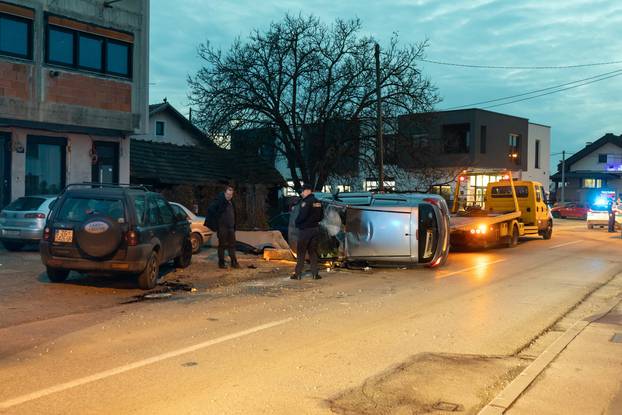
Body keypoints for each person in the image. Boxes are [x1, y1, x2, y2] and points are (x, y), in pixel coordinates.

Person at [291, 184, 324, 280]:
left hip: (305, 230)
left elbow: (302, 216)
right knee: (313, 252)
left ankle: (297, 274)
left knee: (301, 252)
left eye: (302, 191)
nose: (301, 193)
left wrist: (297, 222)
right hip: (315, 229)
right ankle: (315, 274)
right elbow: (321, 216)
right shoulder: (318, 202)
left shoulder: (306, 202)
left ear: (307, 191)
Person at [205, 186, 239, 269]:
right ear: (225, 193)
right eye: (227, 194)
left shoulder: (231, 202)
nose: (229, 196)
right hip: (222, 228)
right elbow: (210, 209)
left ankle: (234, 262)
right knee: (222, 245)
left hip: (231, 228)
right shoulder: (220, 201)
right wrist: (217, 219)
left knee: (232, 245)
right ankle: (221, 263)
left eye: (231, 195)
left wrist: (234, 226)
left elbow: (234, 214)